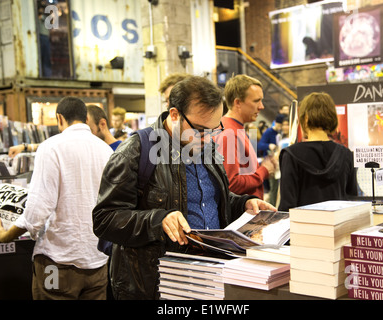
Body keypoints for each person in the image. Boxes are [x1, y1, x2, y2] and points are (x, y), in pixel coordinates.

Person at [92, 76, 276, 300]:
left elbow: (213, 198)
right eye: (199, 129)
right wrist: (158, 220)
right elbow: (105, 219)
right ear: (175, 114)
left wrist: (242, 203)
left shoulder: (205, 144)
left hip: (209, 276)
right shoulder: (136, 150)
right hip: (157, 285)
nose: (207, 138)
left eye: (215, 129)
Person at [0, 97, 114, 300]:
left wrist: (6, 235)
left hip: (57, 265)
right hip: (98, 265)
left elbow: (38, 210)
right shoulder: (106, 150)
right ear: (85, 118)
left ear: (59, 118)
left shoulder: (51, 147)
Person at [278, 92, 357, 212]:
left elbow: (287, 205)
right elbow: (351, 199)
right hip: (338, 227)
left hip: (303, 227)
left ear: (305, 118)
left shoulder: (291, 155)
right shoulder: (346, 154)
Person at [214, 74, 277, 199]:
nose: (261, 106)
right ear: (237, 102)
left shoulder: (236, 128)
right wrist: (263, 171)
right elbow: (231, 184)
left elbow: (244, 171)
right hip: (242, 214)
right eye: (256, 101)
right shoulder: (228, 133)